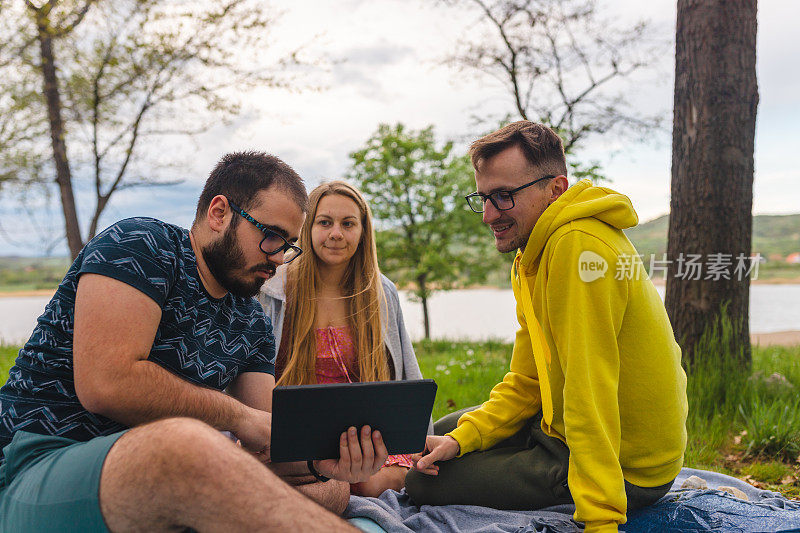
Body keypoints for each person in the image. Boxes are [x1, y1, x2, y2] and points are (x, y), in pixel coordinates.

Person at [0, 152, 387, 532]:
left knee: (334, 490)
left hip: (144, 480)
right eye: (270, 237)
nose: (280, 259)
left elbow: (270, 438)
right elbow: (107, 383)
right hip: (35, 461)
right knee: (187, 446)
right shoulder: (142, 246)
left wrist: (320, 465)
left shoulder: (251, 320)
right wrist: (237, 419)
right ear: (219, 213)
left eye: (288, 245)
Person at [406, 122, 688, 533]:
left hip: (628, 465)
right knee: (439, 433)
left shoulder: (578, 249)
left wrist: (601, 519)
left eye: (503, 197)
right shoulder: (531, 257)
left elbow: (589, 390)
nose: (488, 215)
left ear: (555, 188)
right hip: (558, 430)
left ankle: (581, 489)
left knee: (420, 482)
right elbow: (526, 380)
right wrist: (466, 439)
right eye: (483, 198)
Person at [259, 180, 428, 498]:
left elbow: (406, 370)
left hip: (365, 437)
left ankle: (366, 485)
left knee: (366, 481)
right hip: (297, 440)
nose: (336, 233)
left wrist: (421, 439)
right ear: (308, 229)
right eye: (325, 222)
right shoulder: (274, 289)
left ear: (363, 231)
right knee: (339, 483)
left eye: (348, 223)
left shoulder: (380, 291)